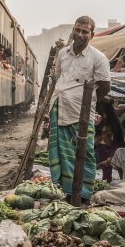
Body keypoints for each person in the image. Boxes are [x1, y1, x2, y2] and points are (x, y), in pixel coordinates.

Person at [47, 16, 111, 201]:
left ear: (92, 35)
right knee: (62, 151)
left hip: (81, 113)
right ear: (73, 30)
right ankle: (68, 192)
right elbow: (58, 77)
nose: (80, 34)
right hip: (59, 108)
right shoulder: (62, 54)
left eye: (85, 31)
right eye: (77, 30)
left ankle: (83, 195)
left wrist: (88, 103)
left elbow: (105, 87)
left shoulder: (98, 58)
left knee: (85, 152)